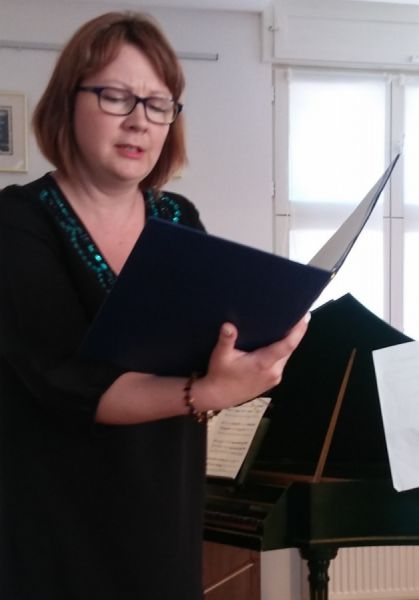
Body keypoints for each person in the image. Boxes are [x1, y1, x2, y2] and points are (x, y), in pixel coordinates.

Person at [0, 11, 309, 600]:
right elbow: (68, 381)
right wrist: (205, 392)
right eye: (116, 96)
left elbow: (209, 345)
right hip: (55, 521)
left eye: (158, 103)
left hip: (163, 512)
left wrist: (248, 355)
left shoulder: (177, 218)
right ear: (67, 101)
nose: (139, 120)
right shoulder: (18, 222)